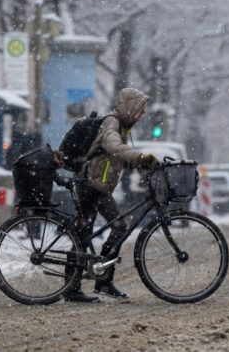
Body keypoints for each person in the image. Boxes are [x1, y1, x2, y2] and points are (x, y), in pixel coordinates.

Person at [64, 88, 159, 303]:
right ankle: (71, 287)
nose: (142, 115)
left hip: (98, 185)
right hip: (89, 183)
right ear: (131, 108)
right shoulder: (112, 123)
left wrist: (138, 164)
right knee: (84, 231)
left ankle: (103, 281)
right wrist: (140, 157)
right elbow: (113, 146)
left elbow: (113, 157)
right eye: (141, 110)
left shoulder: (122, 126)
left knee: (115, 227)